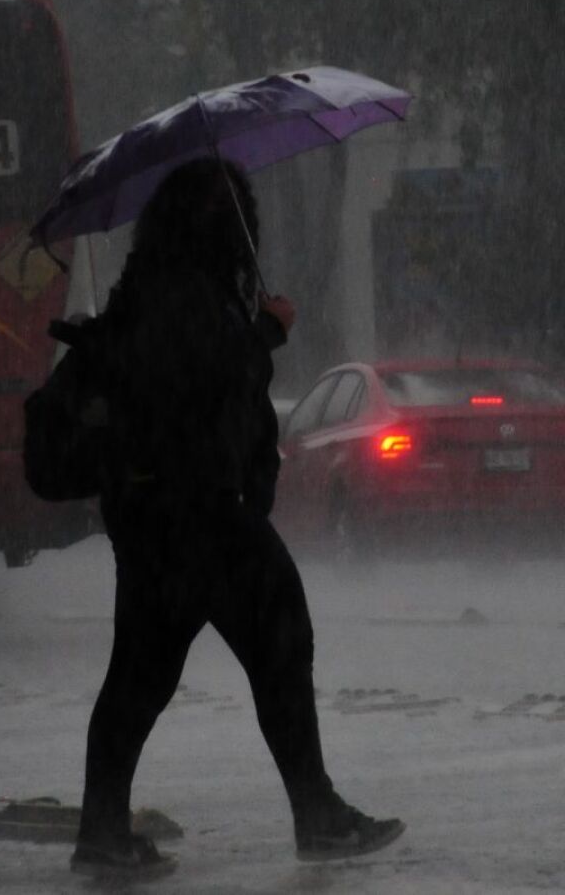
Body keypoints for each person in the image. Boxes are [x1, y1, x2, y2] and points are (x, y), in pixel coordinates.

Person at [71, 157, 404, 878]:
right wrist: (267, 334)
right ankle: (317, 814)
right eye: (237, 219)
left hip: (155, 517)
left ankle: (101, 826)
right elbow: (203, 388)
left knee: (140, 675)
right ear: (222, 227)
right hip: (202, 514)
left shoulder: (152, 291)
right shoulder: (187, 299)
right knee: (281, 644)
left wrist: (252, 330)